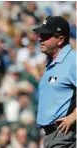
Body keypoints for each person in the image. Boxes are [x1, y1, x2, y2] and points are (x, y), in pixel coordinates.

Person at [33, 16, 76, 148]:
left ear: (60, 39)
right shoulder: (52, 61)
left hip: (64, 134)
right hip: (51, 135)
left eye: (46, 35)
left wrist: (73, 117)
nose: (40, 38)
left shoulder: (72, 60)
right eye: (41, 34)